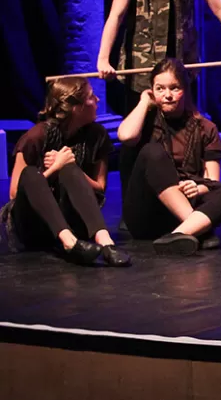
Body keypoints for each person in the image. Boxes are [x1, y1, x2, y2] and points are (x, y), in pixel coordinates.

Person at [116, 59, 221, 254]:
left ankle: (179, 234)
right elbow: (126, 136)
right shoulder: (144, 122)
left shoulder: (205, 128)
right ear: (151, 90)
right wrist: (144, 102)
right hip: (147, 213)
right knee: (152, 152)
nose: (167, 95)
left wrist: (197, 188)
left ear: (185, 89)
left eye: (174, 88)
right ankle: (200, 230)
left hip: (182, 210)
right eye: (160, 89)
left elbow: (212, 181)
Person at [1, 79, 130, 266]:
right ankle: (69, 242)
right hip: (34, 223)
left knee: (70, 169)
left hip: (73, 218)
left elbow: (100, 188)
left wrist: (71, 166)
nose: (97, 100)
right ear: (76, 108)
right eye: (91, 97)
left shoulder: (97, 135)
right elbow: (15, 193)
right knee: (30, 173)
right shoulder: (36, 136)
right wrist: (55, 168)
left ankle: (105, 242)